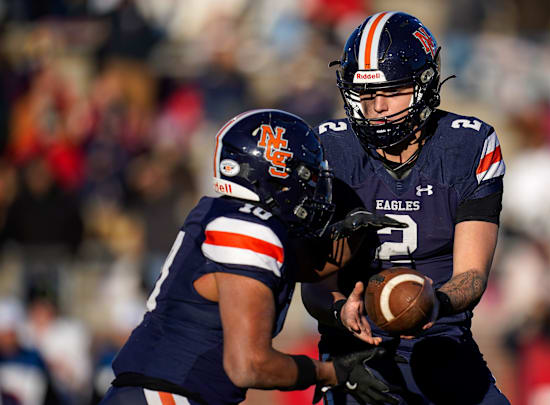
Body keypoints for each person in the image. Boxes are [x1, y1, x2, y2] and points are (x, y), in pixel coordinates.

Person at [99, 109, 405, 405]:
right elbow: (249, 365)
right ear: (275, 176)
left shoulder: (227, 214)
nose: (312, 189)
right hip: (168, 395)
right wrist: (332, 372)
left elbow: (300, 269)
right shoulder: (248, 229)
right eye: (306, 177)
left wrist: (351, 237)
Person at [302, 11, 510, 405]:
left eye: (392, 90)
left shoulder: (467, 145)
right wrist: (342, 310)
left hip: (442, 346)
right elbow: (314, 287)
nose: (377, 106)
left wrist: (431, 302)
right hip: (356, 353)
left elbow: (471, 276)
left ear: (425, 84)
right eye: (365, 93)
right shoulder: (330, 150)